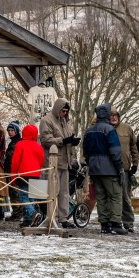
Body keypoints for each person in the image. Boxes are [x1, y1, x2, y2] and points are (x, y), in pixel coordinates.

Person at [83, 103, 128, 235]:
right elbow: (115, 151)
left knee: (101, 197)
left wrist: (90, 163)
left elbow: (86, 151)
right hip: (109, 169)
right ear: (107, 115)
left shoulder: (89, 131)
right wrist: (119, 167)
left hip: (94, 169)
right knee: (115, 195)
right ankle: (115, 223)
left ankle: (104, 224)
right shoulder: (110, 130)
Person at [39, 97, 80, 228]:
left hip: (65, 161)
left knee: (64, 192)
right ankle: (52, 216)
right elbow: (46, 140)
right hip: (53, 162)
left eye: (66, 111)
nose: (65, 113)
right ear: (58, 109)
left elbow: (67, 138)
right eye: (63, 111)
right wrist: (64, 141)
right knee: (53, 191)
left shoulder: (64, 122)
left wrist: (72, 141)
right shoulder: (46, 120)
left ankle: (63, 217)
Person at [109, 109, 139, 233]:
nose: (114, 118)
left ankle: (128, 222)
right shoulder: (105, 129)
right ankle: (112, 221)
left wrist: (135, 164)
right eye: (111, 116)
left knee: (125, 197)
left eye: (115, 115)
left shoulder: (127, 128)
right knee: (111, 197)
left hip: (125, 168)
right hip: (109, 169)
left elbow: (134, 147)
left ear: (119, 116)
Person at [10, 123, 46, 225]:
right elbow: (41, 161)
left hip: (23, 174)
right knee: (31, 198)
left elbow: (15, 162)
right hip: (35, 174)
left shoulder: (20, 144)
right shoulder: (38, 146)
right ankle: (28, 220)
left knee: (24, 197)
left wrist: (13, 175)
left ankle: (33, 213)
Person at [3, 121, 22, 218]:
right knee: (12, 192)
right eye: (9, 130)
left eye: (12, 130)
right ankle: (16, 212)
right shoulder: (12, 143)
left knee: (15, 193)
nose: (10, 132)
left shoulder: (18, 143)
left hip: (15, 171)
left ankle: (18, 213)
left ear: (16, 131)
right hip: (9, 170)